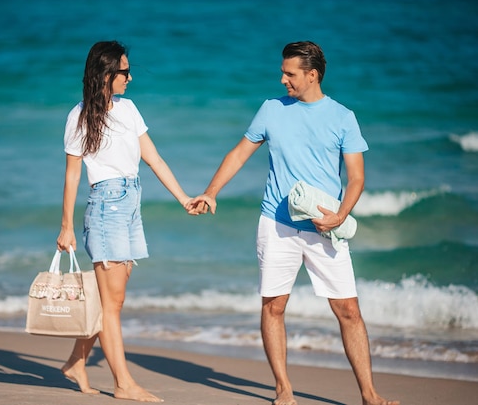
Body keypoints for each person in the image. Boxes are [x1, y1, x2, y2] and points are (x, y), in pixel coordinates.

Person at [188, 41, 399, 405]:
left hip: (324, 225)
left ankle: (369, 395)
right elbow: (239, 153)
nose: (282, 79)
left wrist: (340, 215)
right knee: (274, 305)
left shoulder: (343, 117)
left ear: (312, 75)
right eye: (283, 72)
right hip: (277, 223)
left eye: (290, 73)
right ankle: (283, 389)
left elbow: (357, 177)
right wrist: (211, 191)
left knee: (348, 309)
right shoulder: (271, 110)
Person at [56, 40, 190, 403]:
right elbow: (72, 176)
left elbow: (154, 158)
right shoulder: (80, 117)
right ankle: (123, 384)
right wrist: (66, 226)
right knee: (112, 303)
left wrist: (184, 199)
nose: (130, 77)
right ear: (106, 74)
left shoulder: (129, 109)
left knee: (112, 299)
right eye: (125, 71)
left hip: (131, 203)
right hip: (104, 207)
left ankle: (75, 363)